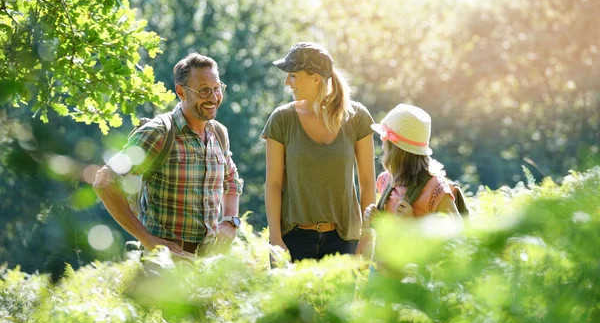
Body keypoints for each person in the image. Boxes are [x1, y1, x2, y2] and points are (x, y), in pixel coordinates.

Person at [93, 53, 244, 257]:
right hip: (165, 265)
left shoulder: (218, 133)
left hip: (208, 263)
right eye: (204, 91)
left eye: (217, 88)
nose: (213, 97)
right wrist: (147, 239)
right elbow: (105, 181)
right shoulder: (159, 133)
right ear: (181, 92)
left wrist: (230, 221)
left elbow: (231, 179)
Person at [262, 42, 376, 262]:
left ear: (315, 77)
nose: (287, 82)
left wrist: (367, 235)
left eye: (293, 75)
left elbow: (368, 182)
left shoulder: (357, 117)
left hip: (344, 241)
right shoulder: (282, 119)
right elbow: (274, 184)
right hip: (292, 240)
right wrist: (275, 239)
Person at [357, 103, 462, 260]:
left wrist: (413, 224)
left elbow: (458, 234)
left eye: (385, 140)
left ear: (395, 150)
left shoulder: (435, 189)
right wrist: (371, 220)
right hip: (383, 272)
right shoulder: (385, 181)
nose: (382, 144)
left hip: (415, 277)